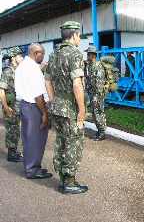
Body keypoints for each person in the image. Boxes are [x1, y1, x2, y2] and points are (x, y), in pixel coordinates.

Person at [45, 21, 88, 194]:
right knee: (73, 142)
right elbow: (77, 84)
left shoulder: (54, 54)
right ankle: (69, 182)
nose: (80, 39)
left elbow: (47, 80)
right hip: (70, 107)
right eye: (79, 36)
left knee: (62, 141)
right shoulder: (75, 54)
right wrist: (82, 109)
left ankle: (63, 178)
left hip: (57, 106)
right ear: (75, 35)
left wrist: (54, 100)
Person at [15, 43, 52, 179]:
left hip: (25, 105)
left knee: (29, 138)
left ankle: (32, 166)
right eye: (42, 54)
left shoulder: (23, 66)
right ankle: (32, 169)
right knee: (35, 139)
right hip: (33, 107)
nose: (43, 57)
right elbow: (38, 95)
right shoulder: (33, 69)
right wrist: (44, 113)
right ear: (36, 53)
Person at [84, 45, 118, 141]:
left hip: (97, 95)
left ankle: (102, 132)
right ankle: (99, 131)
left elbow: (99, 83)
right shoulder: (90, 65)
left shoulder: (98, 66)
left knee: (98, 113)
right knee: (95, 113)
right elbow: (89, 80)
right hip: (92, 94)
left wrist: (96, 97)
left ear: (93, 55)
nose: (87, 56)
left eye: (88, 54)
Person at [0, 47, 24, 162]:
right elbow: (1, 90)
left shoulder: (18, 70)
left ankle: (13, 150)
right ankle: (11, 154)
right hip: (10, 105)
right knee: (12, 129)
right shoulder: (8, 71)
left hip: (17, 104)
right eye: (19, 56)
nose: (22, 57)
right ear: (13, 57)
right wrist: (5, 107)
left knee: (15, 129)